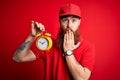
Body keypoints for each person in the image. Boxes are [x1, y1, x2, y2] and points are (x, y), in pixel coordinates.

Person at [13, 3, 95, 80]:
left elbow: (81, 78)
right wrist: (32, 36)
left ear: (79, 22)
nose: (69, 25)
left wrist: (68, 51)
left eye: (74, 20)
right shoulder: (48, 44)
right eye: (65, 20)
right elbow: (18, 58)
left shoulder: (87, 47)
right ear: (59, 22)